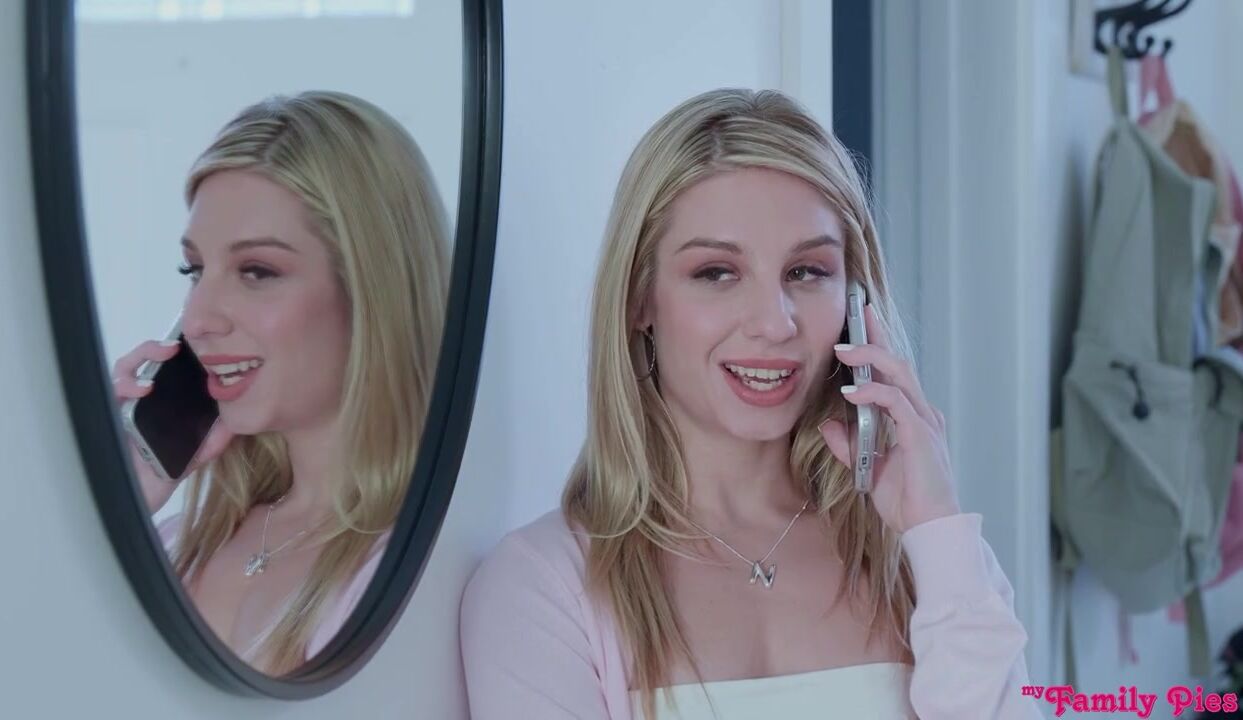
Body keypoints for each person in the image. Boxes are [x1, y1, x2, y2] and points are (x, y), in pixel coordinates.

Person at [459, 88, 1040, 718]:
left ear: (854, 299)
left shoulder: (926, 557)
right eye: (717, 272)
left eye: (807, 272)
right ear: (639, 300)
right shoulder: (543, 587)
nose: (774, 323)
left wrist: (936, 528)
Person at [110, 91, 450, 674]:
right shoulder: (171, 544)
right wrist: (118, 500)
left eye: (256, 271)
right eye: (195, 270)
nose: (198, 319)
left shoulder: (416, 568)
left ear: (371, 290)